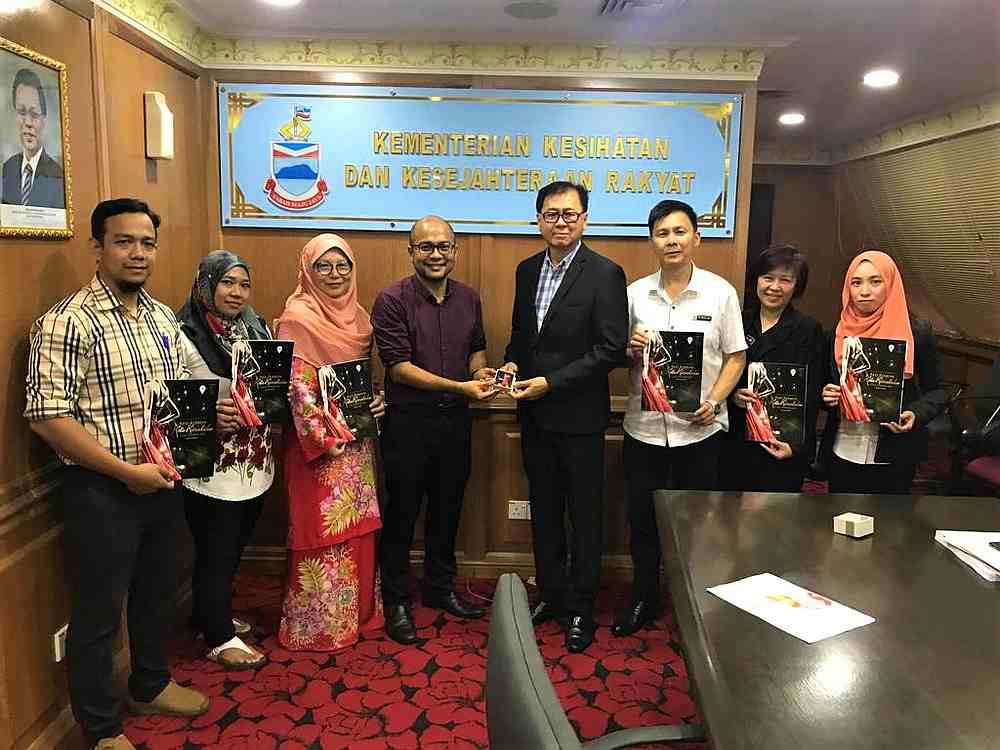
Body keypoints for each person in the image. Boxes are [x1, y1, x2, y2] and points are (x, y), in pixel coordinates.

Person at [24, 199, 208, 750]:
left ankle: (149, 683)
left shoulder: (159, 317)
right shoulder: (66, 320)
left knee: (154, 594)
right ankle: (101, 728)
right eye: (124, 241)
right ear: (97, 248)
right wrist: (125, 472)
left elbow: (179, 392)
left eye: (147, 243)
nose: (137, 253)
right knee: (99, 613)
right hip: (102, 489)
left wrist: (216, 410)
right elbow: (47, 417)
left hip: (161, 481)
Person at [502, 182, 629, 653]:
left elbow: (611, 349)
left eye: (570, 214)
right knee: (546, 512)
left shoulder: (605, 273)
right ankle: (552, 596)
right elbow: (521, 333)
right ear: (537, 219)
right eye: (551, 214)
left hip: (580, 418)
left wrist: (551, 382)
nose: (561, 222)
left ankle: (581, 608)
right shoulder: (526, 269)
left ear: (585, 219)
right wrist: (513, 362)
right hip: (534, 415)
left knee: (584, 516)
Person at [615, 199, 746, 637]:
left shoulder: (721, 292)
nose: (670, 240)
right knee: (643, 523)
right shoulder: (633, 294)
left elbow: (735, 356)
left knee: (699, 528)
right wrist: (630, 349)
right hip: (645, 430)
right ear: (652, 241)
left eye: (678, 232)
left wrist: (715, 398)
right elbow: (617, 356)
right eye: (661, 233)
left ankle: (693, 612)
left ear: (696, 237)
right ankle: (644, 600)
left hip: (700, 433)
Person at [372, 215, 496, 644]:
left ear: (455, 250)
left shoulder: (469, 298)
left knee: (448, 512)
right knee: (403, 515)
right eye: (426, 247)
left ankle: (441, 590)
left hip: (456, 425)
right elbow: (399, 369)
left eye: (444, 246)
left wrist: (482, 376)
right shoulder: (391, 300)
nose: (436, 254)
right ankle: (397, 601)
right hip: (408, 425)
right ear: (411, 252)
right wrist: (460, 386)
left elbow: (476, 351)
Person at [274, 234, 386, 651]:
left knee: (356, 528)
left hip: (355, 442)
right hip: (317, 448)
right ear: (308, 270)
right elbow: (295, 386)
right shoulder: (297, 317)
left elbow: (358, 379)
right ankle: (318, 627)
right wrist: (323, 439)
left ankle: (357, 618)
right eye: (324, 266)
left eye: (343, 266)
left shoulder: (359, 316)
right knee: (319, 529)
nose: (335, 274)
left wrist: (376, 400)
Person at [175, 250, 272, 669]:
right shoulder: (183, 333)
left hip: (253, 461)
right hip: (210, 465)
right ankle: (218, 636)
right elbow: (178, 394)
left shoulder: (255, 326)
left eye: (243, 284)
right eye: (227, 282)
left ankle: (208, 614)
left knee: (234, 546)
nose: (236, 293)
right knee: (215, 547)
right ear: (205, 284)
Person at [820, 250, 947, 494]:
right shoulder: (835, 333)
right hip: (843, 449)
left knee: (890, 526)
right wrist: (825, 396)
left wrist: (914, 414)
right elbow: (822, 389)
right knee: (840, 523)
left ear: (890, 283)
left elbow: (938, 392)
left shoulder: (917, 333)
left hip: (895, 452)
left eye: (875, 281)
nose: (864, 291)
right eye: (856, 283)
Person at [724, 244, 826, 492]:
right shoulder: (737, 320)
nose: (774, 287)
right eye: (767, 278)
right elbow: (717, 373)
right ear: (756, 280)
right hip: (734, 441)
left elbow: (812, 394)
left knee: (776, 524)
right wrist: (733, 395)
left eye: (785, 280)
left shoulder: (809, 329)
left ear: (797, 286)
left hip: (782, 444)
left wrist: (797, 446)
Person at [2, 68, 65, 208]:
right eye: (21, 112)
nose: (28, 123)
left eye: (34, 114)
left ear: (44, 121)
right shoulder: (7, 169)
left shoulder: (58, 175)